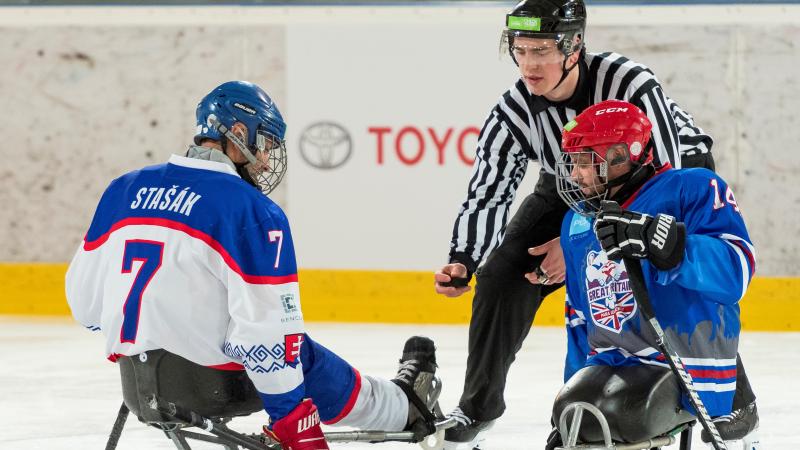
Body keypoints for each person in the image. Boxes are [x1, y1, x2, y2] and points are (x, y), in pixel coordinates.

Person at [433, 0, 758, 447]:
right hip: (573, 182)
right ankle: (477, 405)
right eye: (521, 50)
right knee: (501, 275)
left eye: (542, 51)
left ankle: (726, 386)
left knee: (668, 264)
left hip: (658, 170)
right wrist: (464, 258)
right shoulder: (514, 110)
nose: (529, 64)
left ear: (574, 47)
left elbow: (663, 181)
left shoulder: (630, 83)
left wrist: (587, 245)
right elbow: (490, 188)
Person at [66, 81, 439, 450]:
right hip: (214, 387)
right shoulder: (250, 209)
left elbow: (83, 303)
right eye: (265, 145)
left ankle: (398, 401)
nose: (264, 161)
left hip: (138, 383)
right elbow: (270, 335)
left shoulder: (123, 189)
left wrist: (154, 330)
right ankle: (402, 405)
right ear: (239, 132)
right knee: (300, 352)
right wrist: (290, 417)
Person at [552, 100, 756, 448]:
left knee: (620, 411)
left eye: (586, 161)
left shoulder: (691, 187)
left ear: (622, 155)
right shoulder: (576, 223)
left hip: (684, 362)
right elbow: (580, 318)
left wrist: (670, 245)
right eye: (573, 162)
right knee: (574, 410)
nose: (575, 174)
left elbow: (737, 269)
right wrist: (570, 399)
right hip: (612, 363)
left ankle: (737, 404)